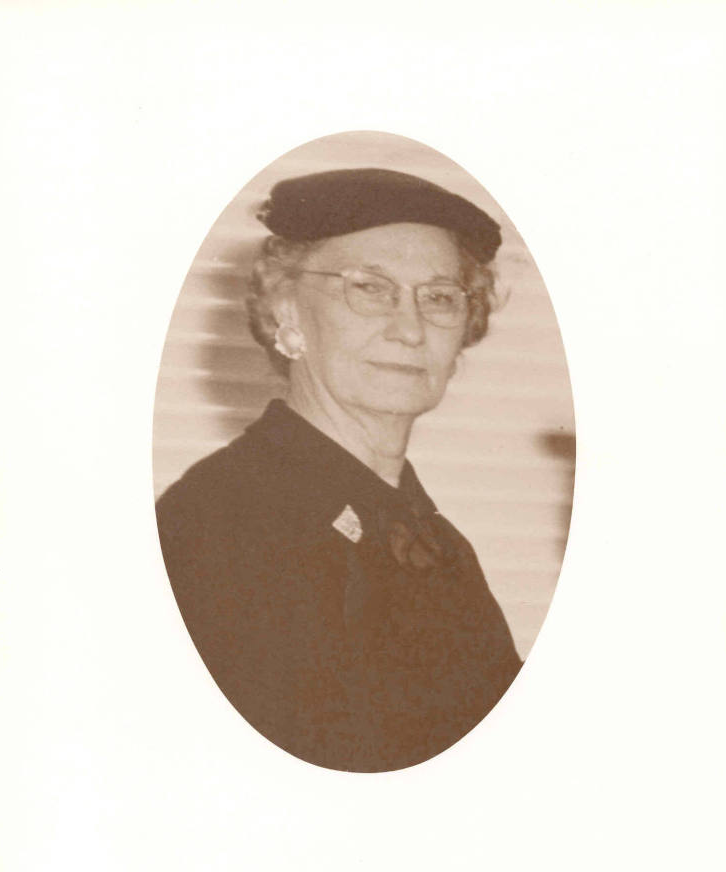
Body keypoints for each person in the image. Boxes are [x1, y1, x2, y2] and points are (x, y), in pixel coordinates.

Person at [156, 167, 522, 772]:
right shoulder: (219, 523)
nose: (409, 330)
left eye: (438, 297)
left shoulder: (438, 547)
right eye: (369, 288)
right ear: (287, 315)